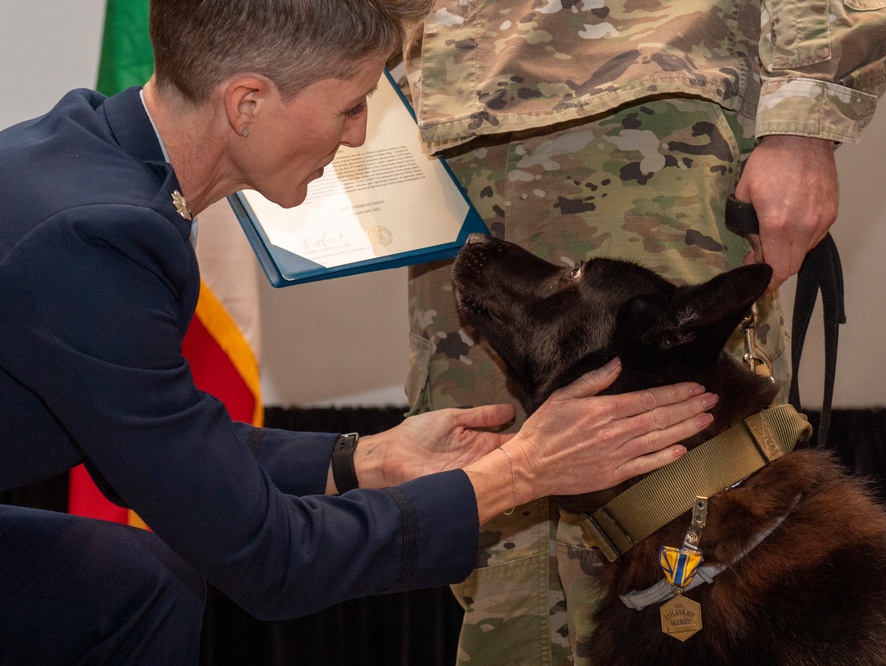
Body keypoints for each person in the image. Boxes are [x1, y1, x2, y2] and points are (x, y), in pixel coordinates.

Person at [0, 0, 721, 662]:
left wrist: (366, 459)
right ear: (246, 102)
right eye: (350, 106)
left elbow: (163, 446)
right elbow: (271, 560)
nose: (360, 136)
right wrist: (520, 471)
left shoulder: (98, 158)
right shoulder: (98, 244)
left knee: (140, 585)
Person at [401, 0, 886, 663]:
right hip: (447, 133)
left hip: (644, 110)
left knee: (701, 573)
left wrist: (805, 118)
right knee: (501, 565)